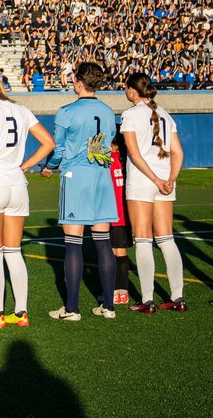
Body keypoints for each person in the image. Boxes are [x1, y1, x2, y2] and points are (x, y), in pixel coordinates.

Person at [0, 72, 53, 329]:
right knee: (14, 251)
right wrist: (25, 165)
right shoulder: (21, 109)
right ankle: (21, 312)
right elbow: (48, 143)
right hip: (17, 184)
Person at [41, 63, 119, 321]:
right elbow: (106, 144)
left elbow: (59, 149)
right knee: (103, 242)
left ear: (78, 82)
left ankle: (72, 309)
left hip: (76, 178)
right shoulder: (108, 112)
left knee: (73, 243)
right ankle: (108, 306)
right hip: (102, 176)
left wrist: (49, 166)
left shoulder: (66, 112)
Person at [121, 73, 186, 313]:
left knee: (143, 239)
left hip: (142, 181)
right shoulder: (166, 115)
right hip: (163, 182)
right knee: (166, 238)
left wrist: (157, 179)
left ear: (131, 91)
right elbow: (178, 152)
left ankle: (147, 300)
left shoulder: (129, 115)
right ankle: (177, 297)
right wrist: (169, 179)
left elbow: (135, 155)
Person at [107, 135, 131, 306]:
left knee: (112, 253)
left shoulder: (108, 160)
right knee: (121, 252)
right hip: (127, 213)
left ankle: (113, 292)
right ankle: (123, 293)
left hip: (111, 213)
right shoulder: (127, 160)